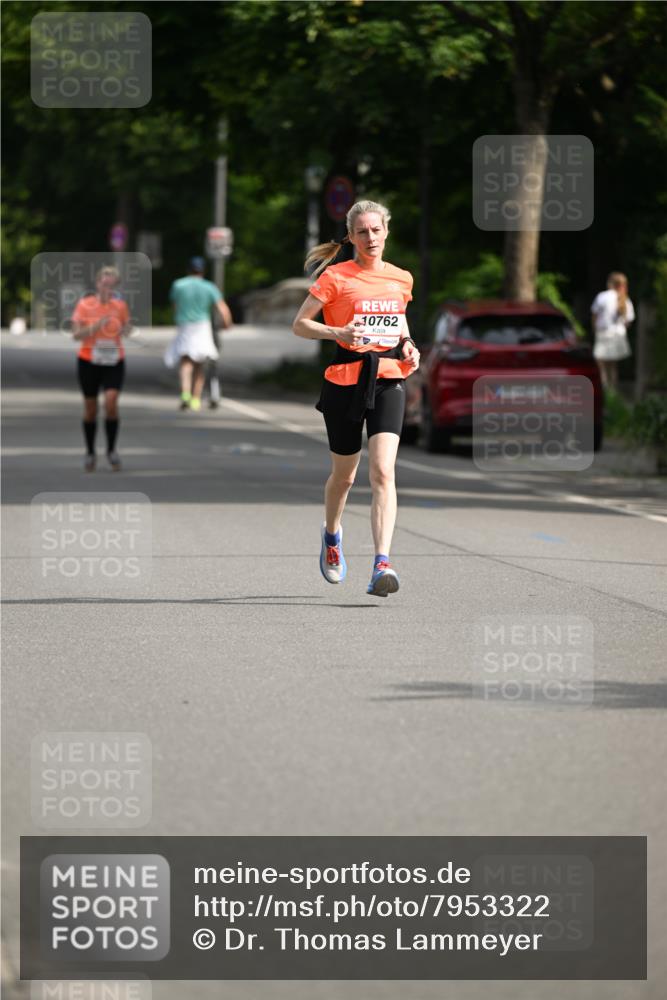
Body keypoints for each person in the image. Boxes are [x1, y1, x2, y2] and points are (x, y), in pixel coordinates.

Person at [292, 199, 420, 597]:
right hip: (345, 380)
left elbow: (399, 323)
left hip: (388, 379)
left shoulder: (401, 278)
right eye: (362, 231)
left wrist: (409, 345)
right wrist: (338, 333)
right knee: (345, 476)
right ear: (351, 237)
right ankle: (332, 536)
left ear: (387, 231)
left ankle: (382, 563)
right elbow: (301, 324)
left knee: (382, 471)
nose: (371, 237)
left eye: (376, 229)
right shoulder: (335, 277)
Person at [71, 266, 131, 472]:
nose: (107, 289)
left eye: (112, 286)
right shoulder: (85, 305)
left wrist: (125, 329)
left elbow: (128, 328)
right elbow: (76, 335)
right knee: (91, 408)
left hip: (114, 360)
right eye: (104, 284)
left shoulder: (120, 305)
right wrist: (97, 325)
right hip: (89, 360)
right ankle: (90, 451)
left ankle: (112, 450)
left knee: (111, 402)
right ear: (97, 284)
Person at [164, 256, 232, 410]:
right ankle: (195, 398)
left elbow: (175, 305)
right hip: (202, 326)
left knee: (185, 361)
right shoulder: (209, 287)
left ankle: (185, 393)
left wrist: (178, 318)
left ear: (188, 269)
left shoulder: (179, 285)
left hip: (185, 325)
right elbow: (222, 308)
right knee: (200, 364)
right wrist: (227, 324)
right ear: (202, 271)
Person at [591, 272, 635, 391]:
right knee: (613, 367)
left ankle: (604, 391)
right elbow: (628, 322)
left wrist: (594, 330)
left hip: (604, 333)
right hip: (618, 335)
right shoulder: (626, 299)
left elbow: (594, 316)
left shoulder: (602, 297)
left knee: (602, 367)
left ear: (610, 283)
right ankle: (613, 392)